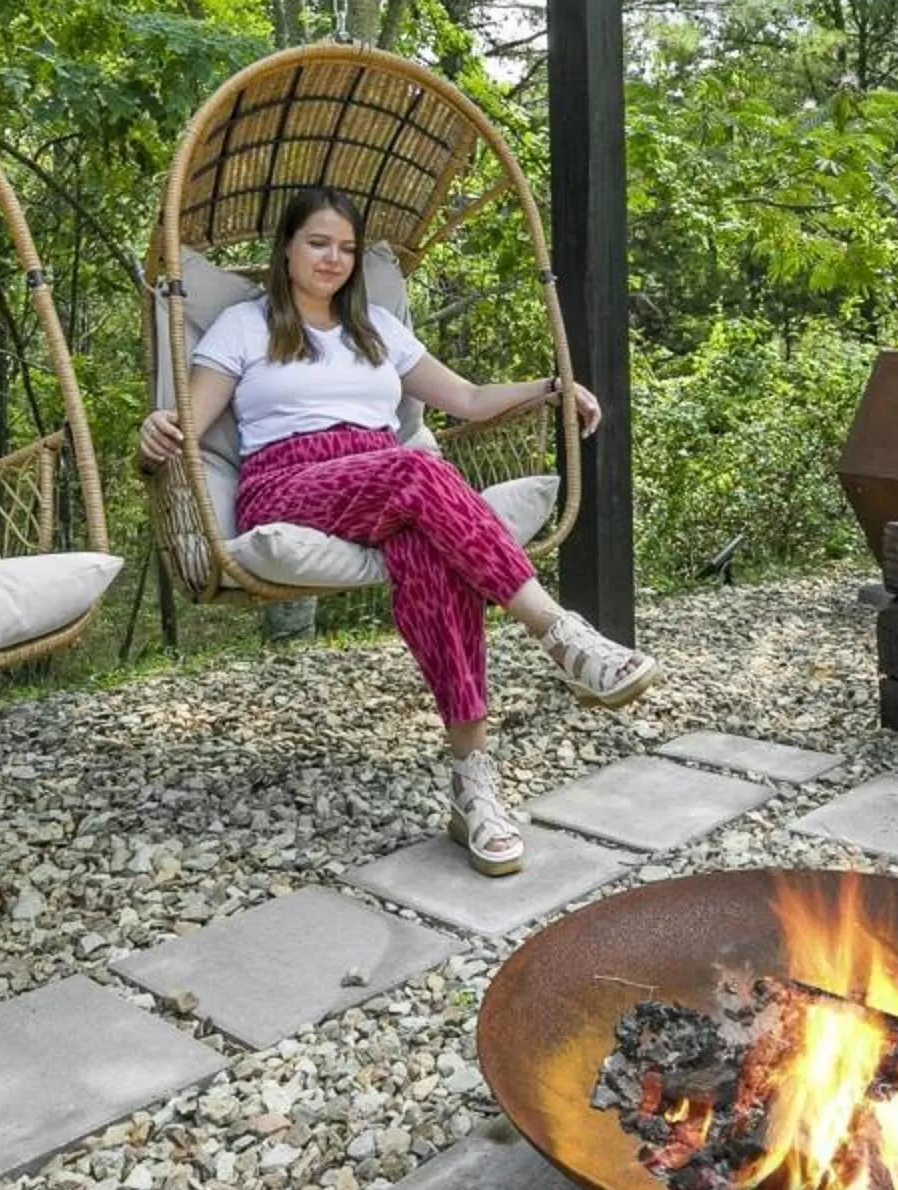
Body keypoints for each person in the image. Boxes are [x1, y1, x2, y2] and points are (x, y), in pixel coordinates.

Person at [138, 185, 658, 878]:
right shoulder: (244, 326)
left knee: (429, 551)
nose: (333, 259)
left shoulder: (376, 327)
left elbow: (468, 400)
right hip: (289, 483)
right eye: (318, 243)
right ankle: (557, 631)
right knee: (416, 471)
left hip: (386, 481)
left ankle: (474, 786)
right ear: (287, 248)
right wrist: (154, 438)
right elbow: (185, 428)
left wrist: (550, 389)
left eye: (347, 248)